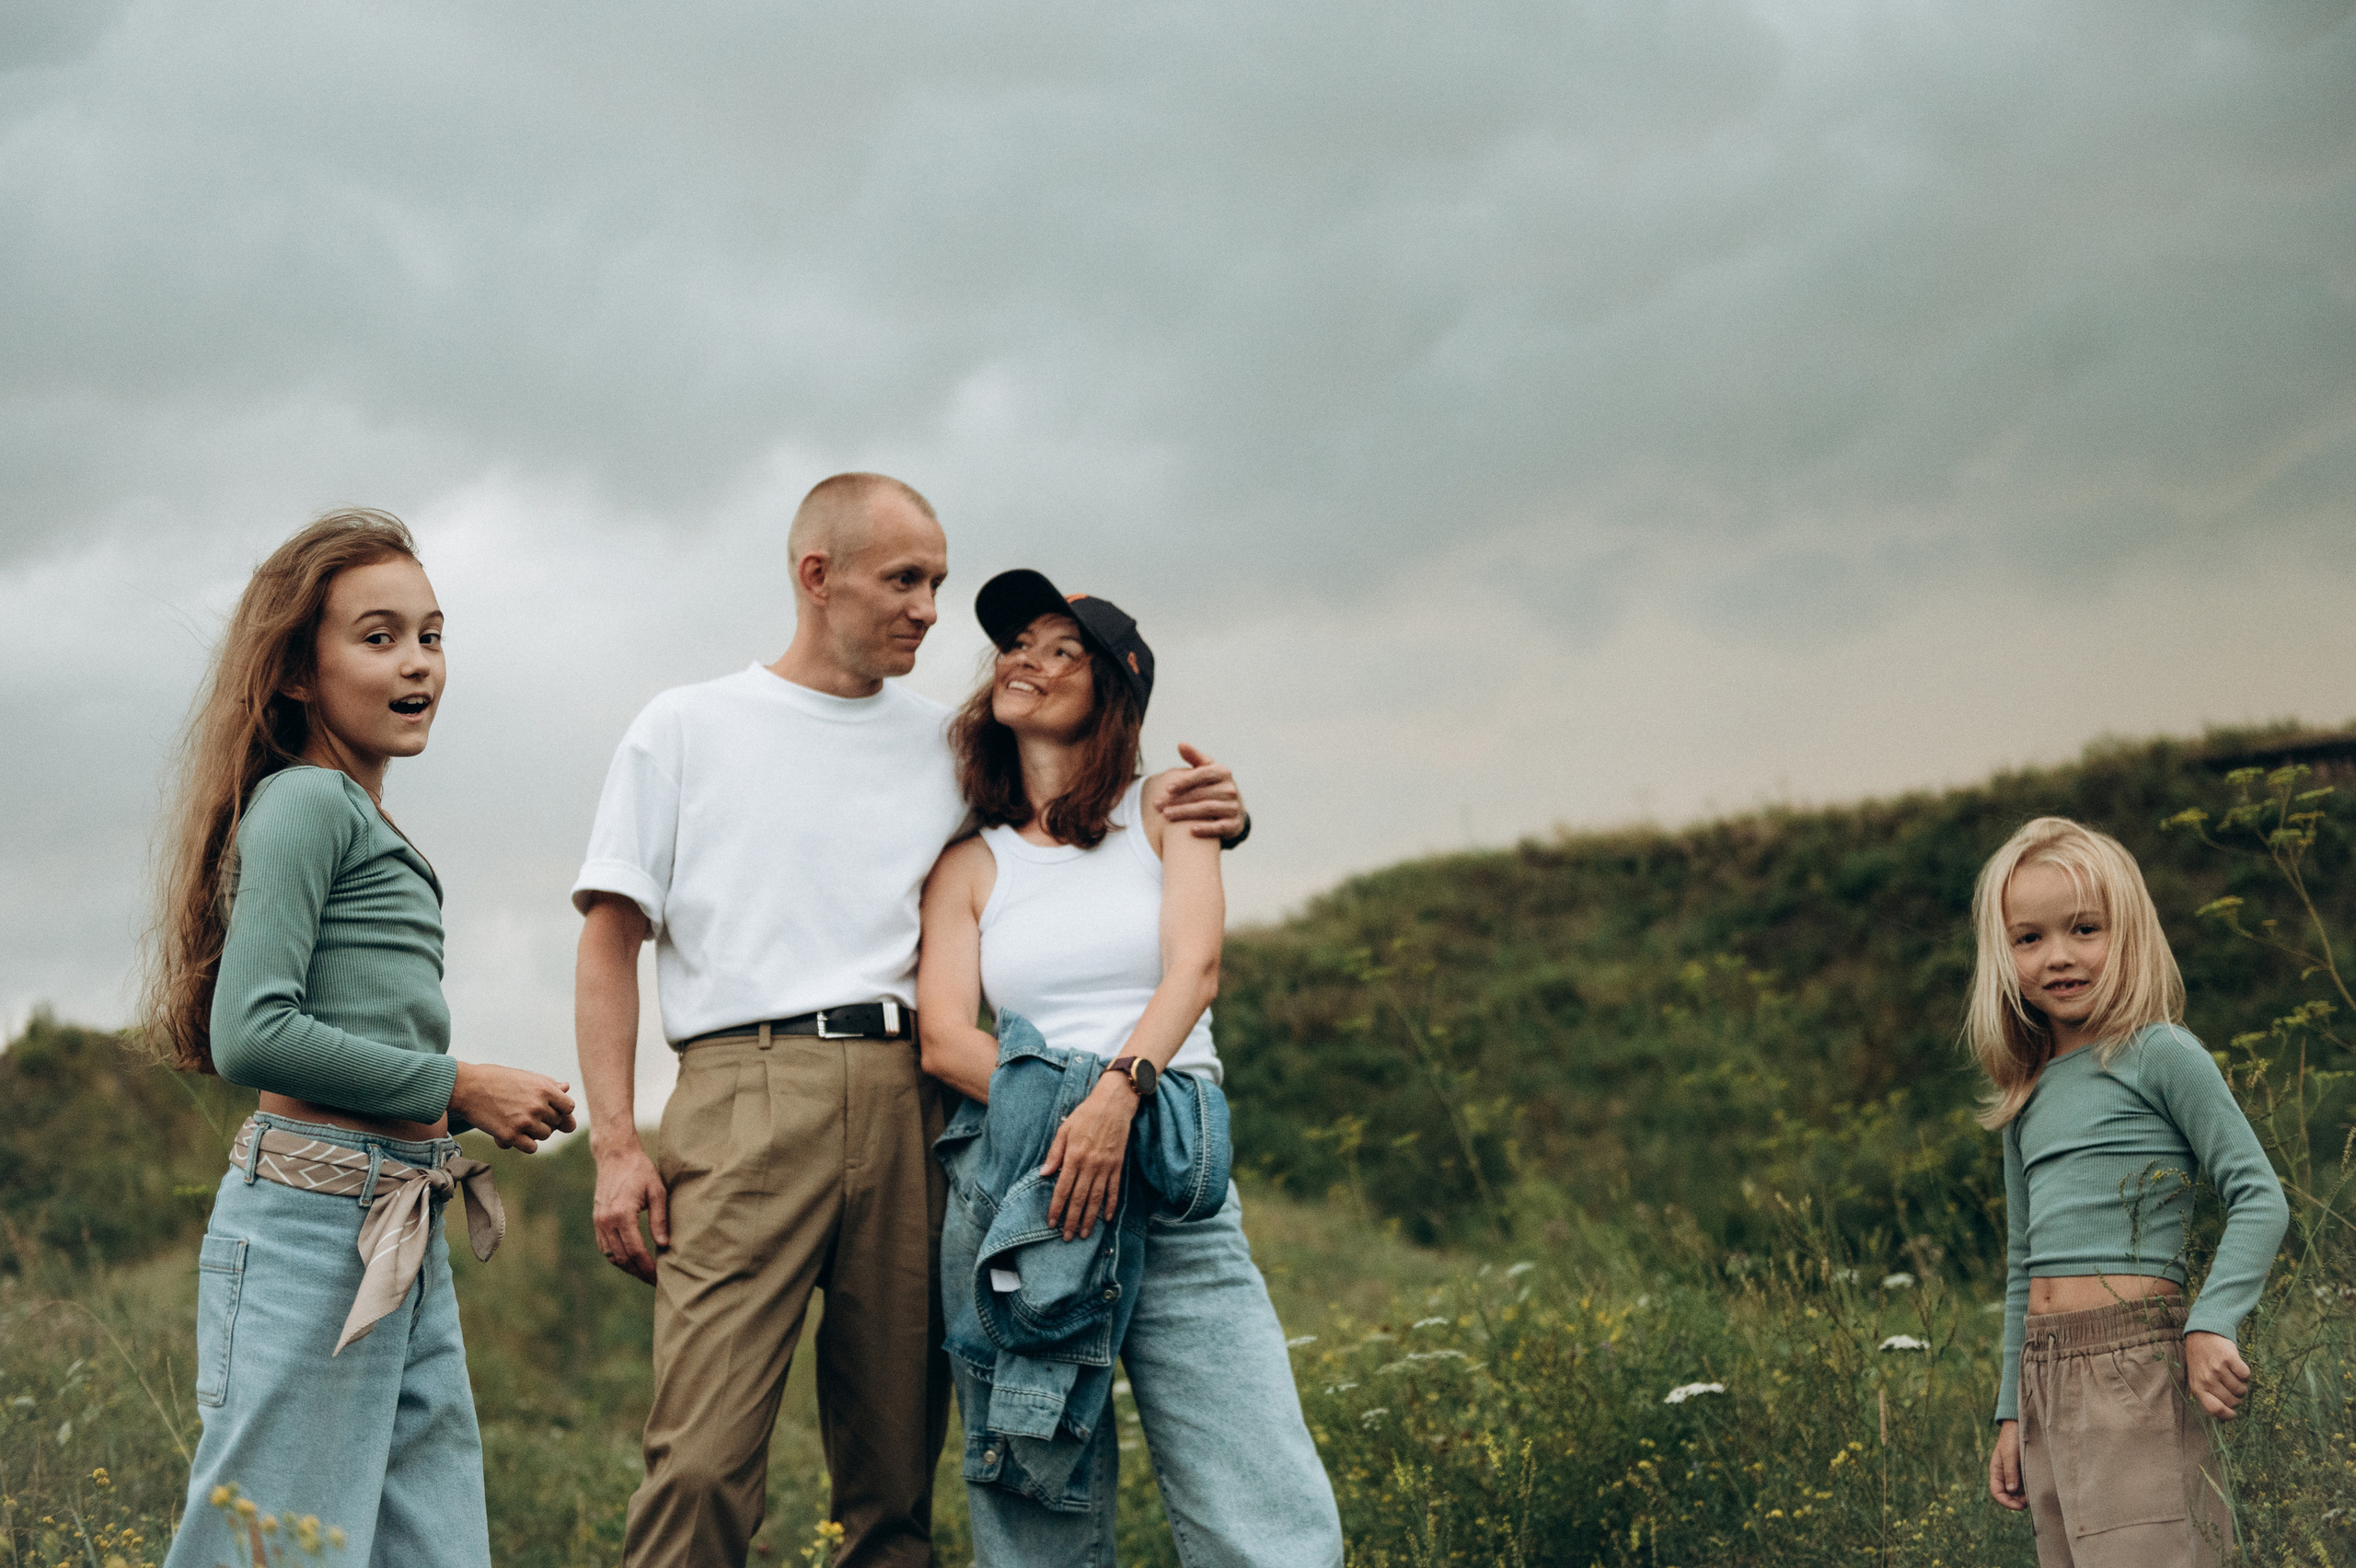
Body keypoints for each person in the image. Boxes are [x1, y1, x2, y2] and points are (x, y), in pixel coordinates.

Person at [572, 475, 1247, 1568]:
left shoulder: (952, 743)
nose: (930, 608)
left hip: (918, 1105)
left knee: (893, 1479)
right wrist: (613, 1145)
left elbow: (1084, 797)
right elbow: (609, 939)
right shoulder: (685, 725)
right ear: (815, 575)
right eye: (904, 579)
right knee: (699, 1463)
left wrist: (1226, 810)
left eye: (935, 580)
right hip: (745, 1092)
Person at [143, 511, 578, 1568]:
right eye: (377, 637)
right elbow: (251, 1033)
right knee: (267, 1553)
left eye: (430, 635)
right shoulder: (303, 803)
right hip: (308, 1226)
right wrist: (460, 1082)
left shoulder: (359, 815)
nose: (417, 661)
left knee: (432, 1547)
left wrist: (442, 1108)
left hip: (396, 1221)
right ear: (296, 671)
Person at [916, 569, 1344, 1566]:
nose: (1029, 660)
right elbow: (943, 1037)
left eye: (1066, 650)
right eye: (1019, 645)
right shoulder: (970, 863)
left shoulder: (1168, 808)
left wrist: (1120, 1096)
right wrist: (1077, 1111)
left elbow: (1194, 968)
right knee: (1034, 1511)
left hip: (1165, 1166)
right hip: (1025, 1192)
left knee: (1260, 1497)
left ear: (1115, 696)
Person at [1974, 817, 2288, 1566]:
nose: (2059, 957)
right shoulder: (2028, 1092)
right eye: (2029, 938)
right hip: (2043, 1376)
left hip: (2136, 1367)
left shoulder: (2160, 1053)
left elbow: (2259, 1195)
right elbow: (2024, 1268)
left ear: (2128, 933)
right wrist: (2012, 1413)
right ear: (2003, 954)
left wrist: (2211, 1321)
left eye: (2085, 929)